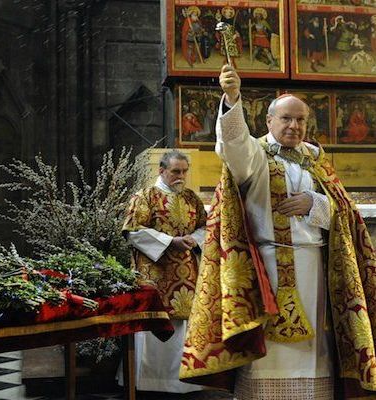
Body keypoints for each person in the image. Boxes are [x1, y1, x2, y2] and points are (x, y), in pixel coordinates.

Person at [180, 64, 376, 399]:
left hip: (316, 266)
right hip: (267, 267)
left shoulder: (316, 160)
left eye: (300, 120)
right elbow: (233, 143)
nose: (294, 125)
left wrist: (314, 203)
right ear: (269, 120)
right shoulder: (254, 156)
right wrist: (232, 99)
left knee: (317, 347)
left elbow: (345, 213)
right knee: (270, 353)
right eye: (286, 118)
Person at [121, 150, 207, 394]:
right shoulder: (145, 196)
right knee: (156, 325)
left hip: (187, 275)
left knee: (184, 329)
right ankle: (151, 383)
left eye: (184, 172)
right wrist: (170, 242)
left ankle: (183, 383)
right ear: (161, 170)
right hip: (155, 275)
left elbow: (205, 225)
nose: (181, 177)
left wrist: (194, 238)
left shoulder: (191, 198)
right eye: (175, 172)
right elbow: (134, 231)